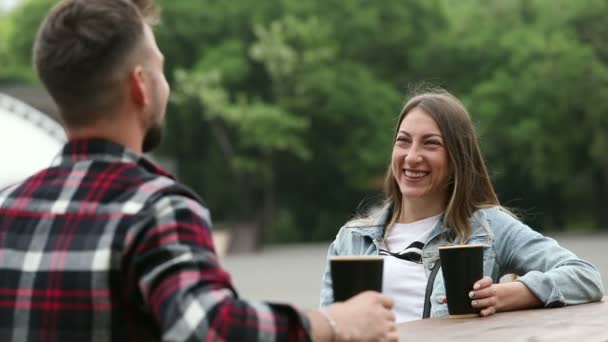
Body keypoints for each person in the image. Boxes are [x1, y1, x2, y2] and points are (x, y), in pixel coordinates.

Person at [0, 1, 398, 341]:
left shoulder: (7, 207)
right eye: (159, 67)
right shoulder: (157, 208)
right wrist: (334, 321)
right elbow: (211, 328)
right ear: (141, 85)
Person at [320, 88, 605, 323]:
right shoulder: (352, 239)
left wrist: (509, 295)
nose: (412, 157)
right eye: (403, 142)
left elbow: (585, 277)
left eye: (430, 144)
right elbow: (329, 326)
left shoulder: (487, 229)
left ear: (457, 159)